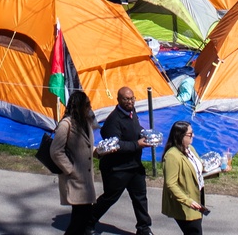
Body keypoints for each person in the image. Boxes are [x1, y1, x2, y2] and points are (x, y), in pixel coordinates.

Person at [93, 86, 154, 235]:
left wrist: (144, 134)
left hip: (134, 166)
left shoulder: (132, 112)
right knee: (109, 198)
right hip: (117, 168)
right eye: (126, 99)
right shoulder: (113, 120)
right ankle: (87, 220)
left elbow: (136, 128)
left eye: (132, 98)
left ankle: (144, 228)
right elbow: (116, 144)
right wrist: (137, 144)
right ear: (118, 100)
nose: (130, 102)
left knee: (140, 197)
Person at [49, 90, 98, 235]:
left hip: (86, 180)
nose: (89, 107)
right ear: (79, 106)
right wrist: (70, 169)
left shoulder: (86, 122)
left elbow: (87, 146)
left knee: (83, 220)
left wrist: (99, 152)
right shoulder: (66, 124)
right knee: (78, 222)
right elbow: (56, 151)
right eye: (87, 105)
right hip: (75, 180)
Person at [161, 120, 206, 235]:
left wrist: (220, 168)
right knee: (194, 232)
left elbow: (198, 171)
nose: (193, 136)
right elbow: (170, 184)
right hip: (184, 203)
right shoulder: (172, 156)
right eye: (190, 134)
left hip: (197, 197)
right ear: (180, 136)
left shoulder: (191, 149)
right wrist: (188, 201)